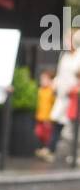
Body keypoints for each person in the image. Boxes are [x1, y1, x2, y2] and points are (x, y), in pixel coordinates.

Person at [40, 31, 80, 162]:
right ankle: (51, 149)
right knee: (58, 123)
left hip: (74, 99)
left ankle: (75, 155)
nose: (67, 43)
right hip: (62, 97)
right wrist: (54, 83)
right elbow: (60, 74)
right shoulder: (65, 56)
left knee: (73, 129)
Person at [34, 69, 55, 155]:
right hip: (39, 116)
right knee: (39, 133)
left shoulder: (51, 91)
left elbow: (53, 104)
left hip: (47, 118)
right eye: (41, 79)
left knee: (47, 135)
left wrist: (50, 118)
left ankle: (46, 149)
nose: (42, 81)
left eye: (45, 79)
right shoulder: (40, 90)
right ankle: (40, 148)